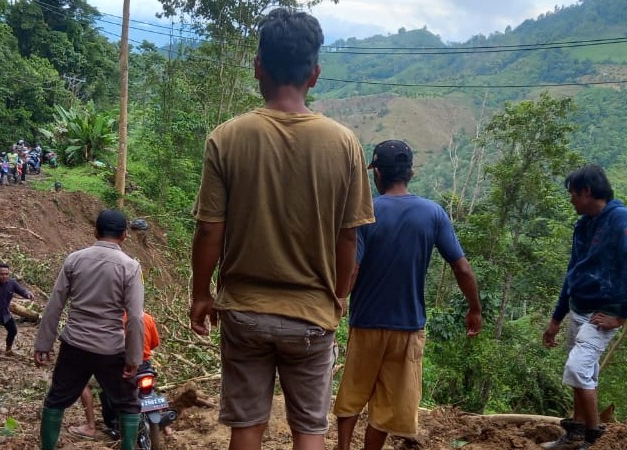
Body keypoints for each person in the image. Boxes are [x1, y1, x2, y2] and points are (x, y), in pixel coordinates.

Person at [190, 9, 375, 450]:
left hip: (243, 311)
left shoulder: (227, 137)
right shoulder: (344, 144)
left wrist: (201, 293)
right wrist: (340, 293)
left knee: (247, 427)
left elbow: (210, 230)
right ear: (315, 74)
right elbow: (348, 236)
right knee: (309, 430)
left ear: (258, 66)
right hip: (311, 316)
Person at [333, 140, 483, 450]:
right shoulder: (433, 213)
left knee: (352, 391)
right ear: (410, 173)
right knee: (390, 403)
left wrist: (338, 300)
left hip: (366, 323)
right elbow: (462, 269)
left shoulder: (366, 213)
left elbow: (352, 271)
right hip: (407, 326)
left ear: (377, 175)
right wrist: (474, 309)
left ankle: (342, 447)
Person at [34, 209, 145, 450]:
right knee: (128, 404)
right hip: (110, 349)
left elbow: (55, 304)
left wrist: (43, 344)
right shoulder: (130, 267)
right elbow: (135, 317)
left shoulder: (75, 259)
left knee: (56, 400)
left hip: (75, 344)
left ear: (95, 231)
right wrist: (134, 357)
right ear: (125, 236)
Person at [541, 165, 627, 450]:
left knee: (578, 369)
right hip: (579, 308)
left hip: (602, 314)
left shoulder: (620, 221)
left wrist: (622, 316)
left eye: (572, 194)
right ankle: (575, 436)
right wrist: (557, 317)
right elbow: (573, 272)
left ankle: (594, 436)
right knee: (583, 375)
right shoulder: (584, 224)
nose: (570, 200)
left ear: (587, 192)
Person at [69, 311, 161, 440]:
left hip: (120, 366)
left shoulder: (110, 318)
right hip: (144, 365)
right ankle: (165, 426)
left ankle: (90, 426)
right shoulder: (147, 317)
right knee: (150, 389)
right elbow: (154, 343)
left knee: (84, 383)